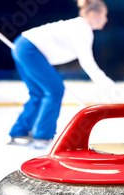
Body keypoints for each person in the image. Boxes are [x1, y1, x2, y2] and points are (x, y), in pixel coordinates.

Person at [9, 0, 113, 149]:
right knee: (55, 90)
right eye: (104, 15)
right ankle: (43, 136)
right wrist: (107, 84)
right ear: (93, 13)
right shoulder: (82, 29)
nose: (106, 19)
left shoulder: (77, 26)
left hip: (22, 45)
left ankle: (18, 132)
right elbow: (87, 62)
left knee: (38, 93)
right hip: (29, 49)